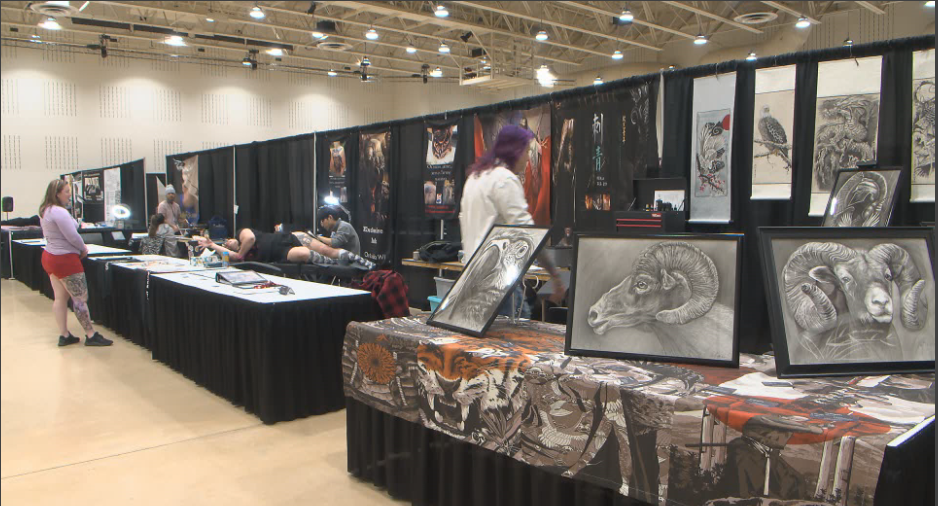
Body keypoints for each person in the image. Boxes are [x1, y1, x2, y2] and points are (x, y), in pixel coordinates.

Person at [459, 124, 566, 318]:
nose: (527, 159)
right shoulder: (504, 180)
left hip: (470, 278)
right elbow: (528, 233)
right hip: (496, 282)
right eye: (526, 152)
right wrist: (555, 275)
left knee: (484, 345)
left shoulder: (475, 178)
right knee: (515, 342)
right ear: (515, 151)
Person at [38, 179, 112, 347]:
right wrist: (83, 249)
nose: (69, 195)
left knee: (60, 298)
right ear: (57, 194)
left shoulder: (46, 211)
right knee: (79, 299)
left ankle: (64, 334)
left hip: (50, 257)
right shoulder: (59, 212)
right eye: (66, 192)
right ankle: (91, 334)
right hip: (64, 260)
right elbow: (72, 236)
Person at [198, 228, 374, 269]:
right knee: (304, 254)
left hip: (288, 237)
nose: (227, 244)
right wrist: (213, 246)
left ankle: (364, 262)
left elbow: (250, 238)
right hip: (281, 253)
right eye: (225, 246)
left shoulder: (242, 233)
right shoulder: (239, 255)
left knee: (328, 249)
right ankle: (341, 265)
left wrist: (239, 252)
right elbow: (233, 257)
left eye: (227, 242)